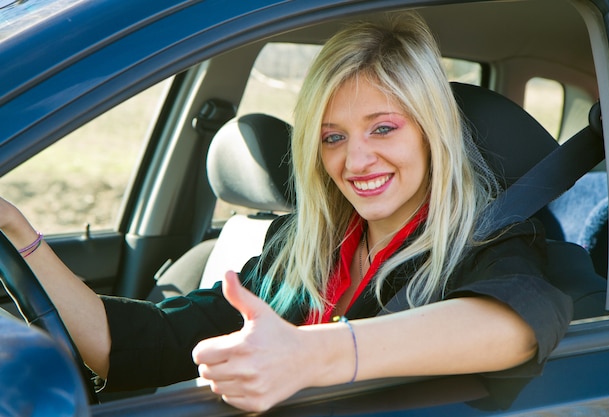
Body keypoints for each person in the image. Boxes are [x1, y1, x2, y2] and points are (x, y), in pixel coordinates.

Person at [0, 14, 572, 413]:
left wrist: (309, 356)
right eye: (332, 137)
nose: (356, 159)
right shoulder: (302, 248)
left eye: (383, 128)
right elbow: (148, 344)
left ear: (432, 134)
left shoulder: (486, 241)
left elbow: (519, 323)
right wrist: (19, 233)